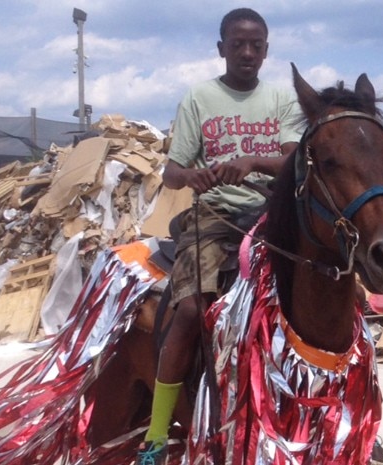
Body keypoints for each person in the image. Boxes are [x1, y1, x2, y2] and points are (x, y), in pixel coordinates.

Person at [137, 7, 303, 463]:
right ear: (221, 49)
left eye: (256, 45)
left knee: (331, 296)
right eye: (238, 45)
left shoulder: (282, 100)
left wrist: (251, 162)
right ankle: (155, 435)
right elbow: (171, 172)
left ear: (266, 51)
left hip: (272, 217)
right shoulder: (199, 98)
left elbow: (293, 161)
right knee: (190, 310)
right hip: (213, 217)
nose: (247, 53)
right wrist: (193, 176)